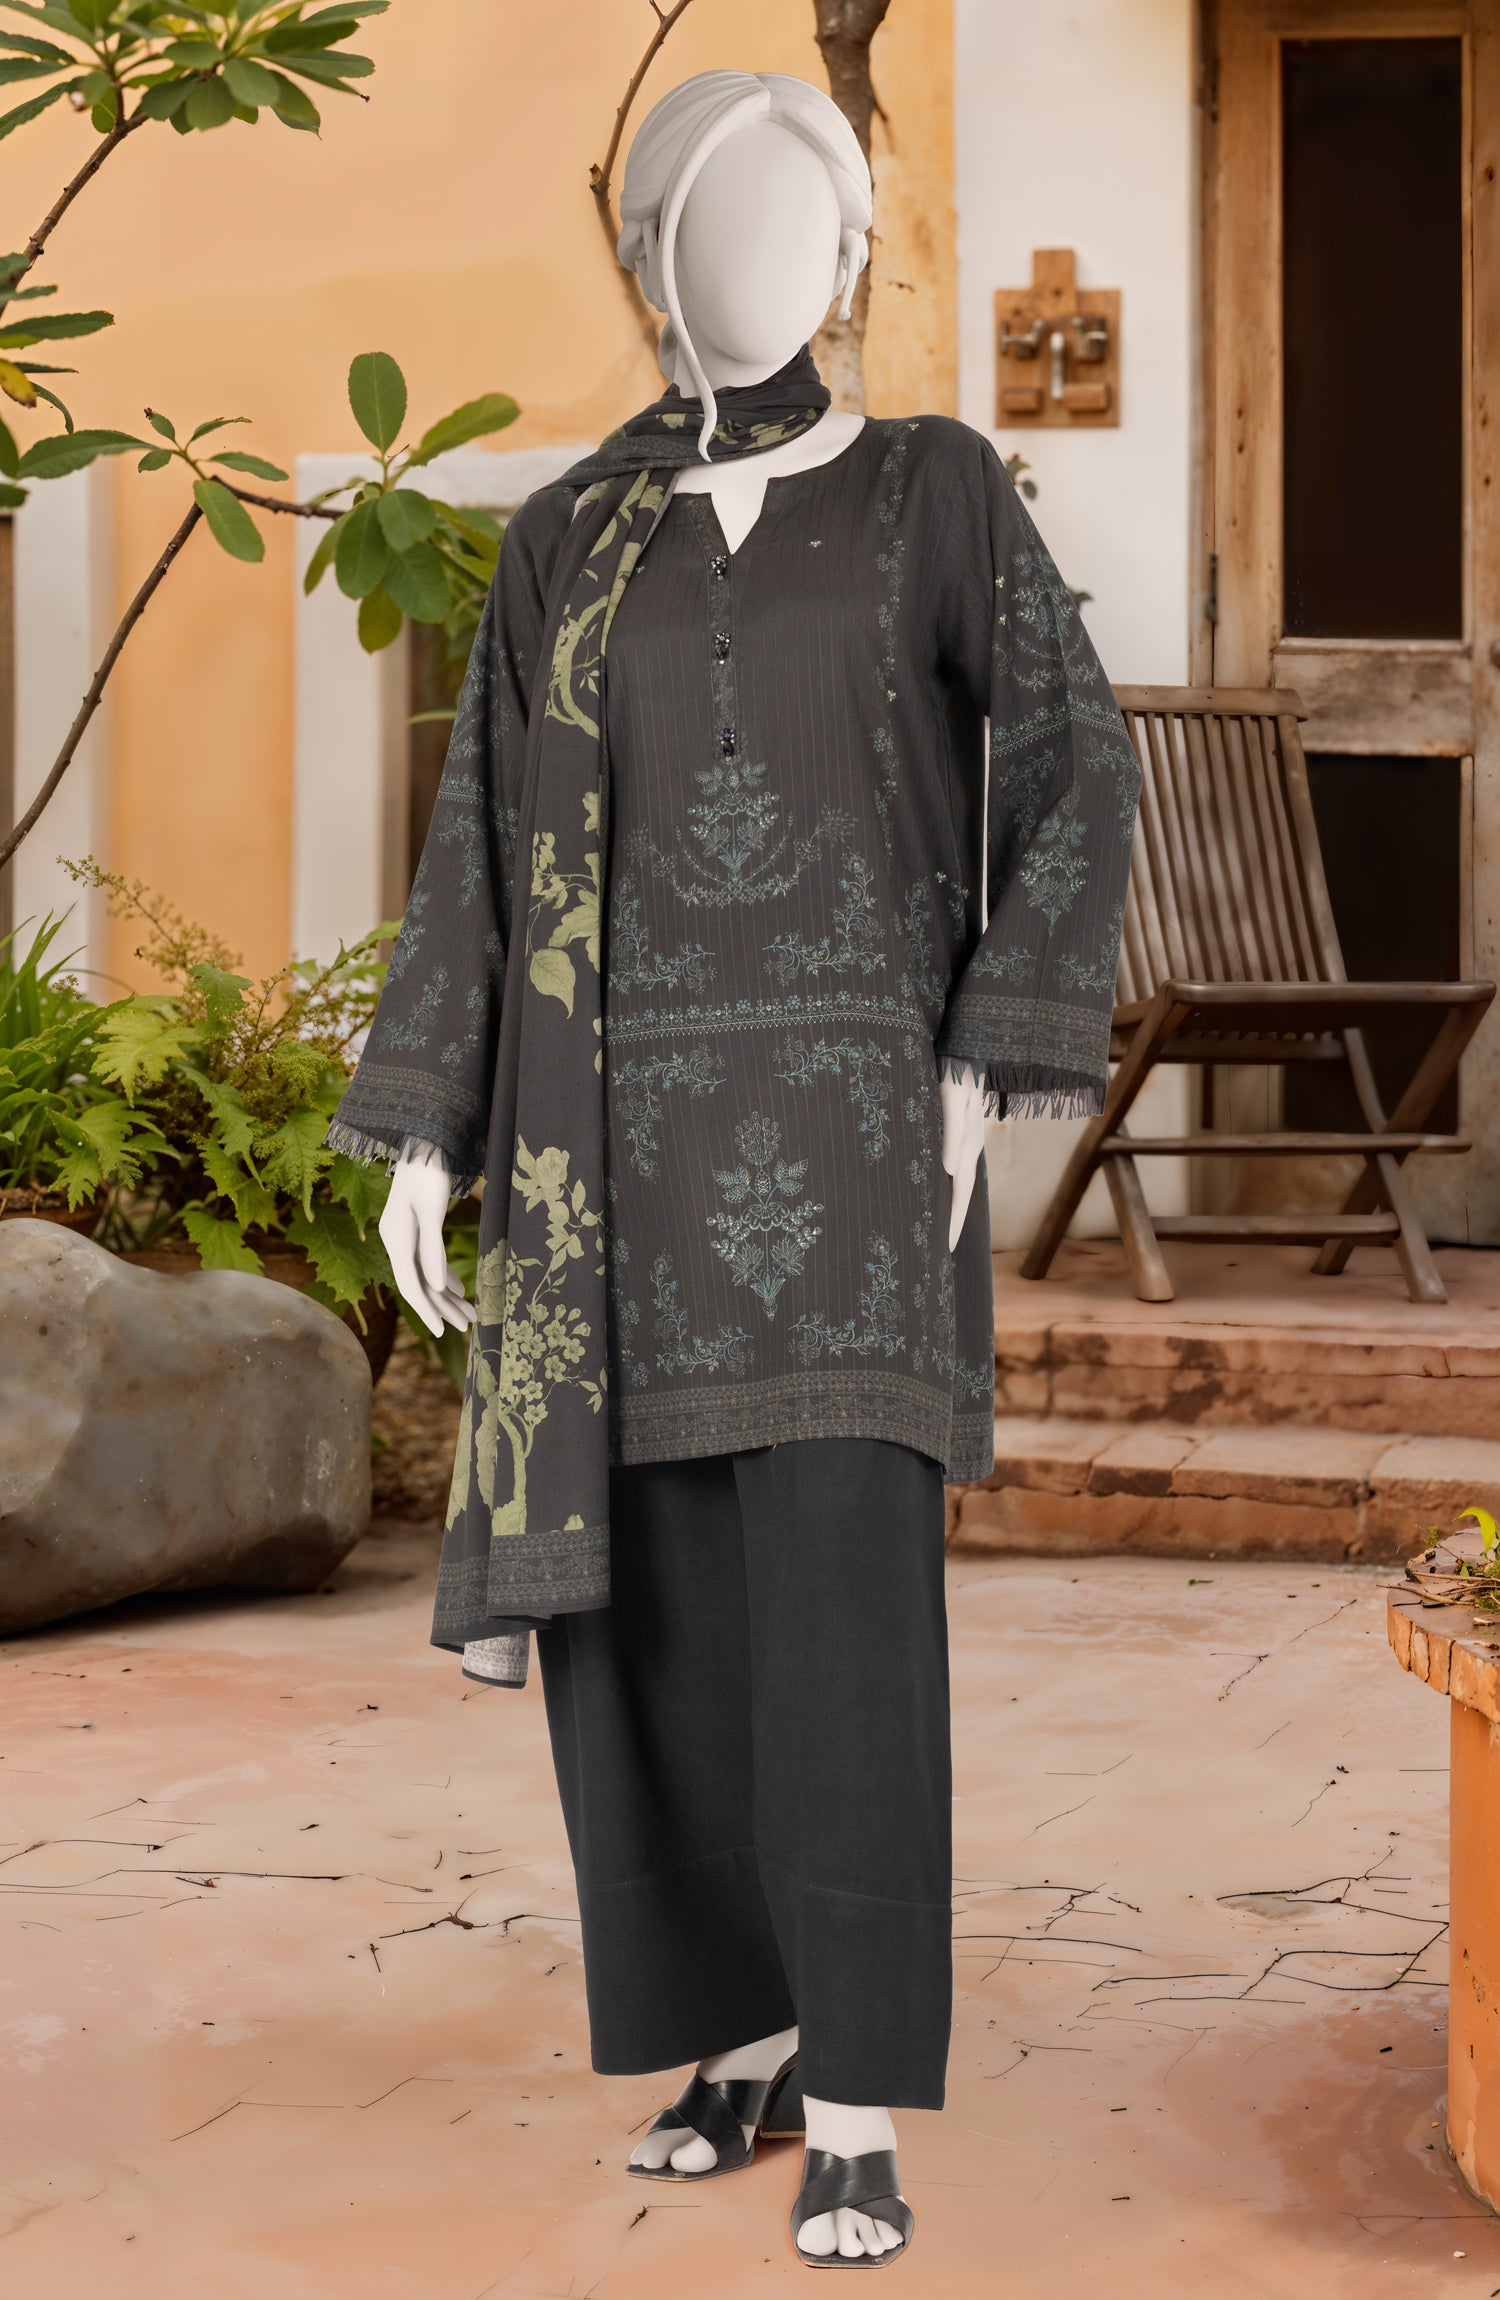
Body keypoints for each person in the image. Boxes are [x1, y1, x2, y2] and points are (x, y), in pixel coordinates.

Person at [329, 67, 1140, 2270]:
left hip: (860, 1164)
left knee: (845, 1633)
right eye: (712, 217)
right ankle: (737, 2041)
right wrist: (425, 1124)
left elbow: (1082, 765)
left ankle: (856, 2101)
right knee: (662, 1640)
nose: (759, 255)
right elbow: (480, 844)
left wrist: (981, 1054)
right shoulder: (563, 541)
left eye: (799, 215)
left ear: (854, 247)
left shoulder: (932, 492)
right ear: (651, 260)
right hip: (614, 1177)